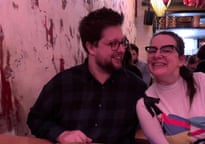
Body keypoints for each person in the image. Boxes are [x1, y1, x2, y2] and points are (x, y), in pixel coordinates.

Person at [27, 7, 147, 144]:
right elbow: (35, 118)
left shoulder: (135, 87)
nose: (121, 50)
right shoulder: (63, 83)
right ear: (91, 48)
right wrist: (61, 134)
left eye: (123, 43)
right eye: (113, 44)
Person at [136, 31, 205, 144]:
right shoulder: (145, 103)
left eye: (166, 50)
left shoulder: (201, 81)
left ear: (181, 60)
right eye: (152, 50)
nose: (157, 55)